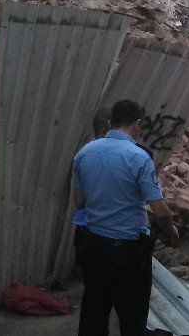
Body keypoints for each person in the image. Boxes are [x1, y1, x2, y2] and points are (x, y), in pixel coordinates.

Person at [72, 100, 180, 336]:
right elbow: (160, 210)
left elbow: (79, 202)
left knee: (94, 311)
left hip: (93, 246)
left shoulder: (83, 154)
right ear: (137, 124)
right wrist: (172, 232)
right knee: (132, 317)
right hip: (128, 252)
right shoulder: (139, 158)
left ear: (111, 123)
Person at [73, 107, 111, 276]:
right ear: (104, 131)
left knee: (92, 289)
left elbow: (79, 202)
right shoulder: (117, 157)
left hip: (84, 231)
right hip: (104, 233)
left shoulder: (82, 155)